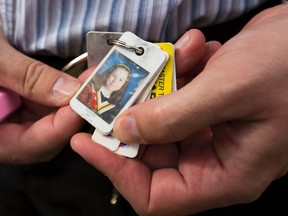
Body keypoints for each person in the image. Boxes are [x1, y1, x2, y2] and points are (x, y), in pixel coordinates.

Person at [0, 0, 287, 215]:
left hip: (234, 90)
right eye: (115, 75)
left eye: (121, 77)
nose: (115, 78)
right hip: (13, 90)